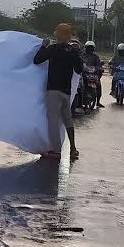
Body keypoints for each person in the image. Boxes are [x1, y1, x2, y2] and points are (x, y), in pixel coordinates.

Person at [34, 23, 84, 160]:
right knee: (68, 120)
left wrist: (43, 46)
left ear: (57, 36)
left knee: (53, 120)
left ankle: (56, 151)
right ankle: (73, 148)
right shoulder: (72, 51)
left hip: (53, 91)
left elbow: (37, 60)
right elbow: (79, 70)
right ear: (68, 37)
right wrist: (77, 54)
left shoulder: (53, 49)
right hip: (66, 92)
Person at [81, 40, 105, 108]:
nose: (89, 49)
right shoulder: (82, 55)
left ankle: (98, 102)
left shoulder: (96, 56)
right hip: (84, 75)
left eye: (91, 48)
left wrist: (100, 68)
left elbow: (99, 64)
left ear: (93, 48)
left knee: (99, 85)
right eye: (88, 47)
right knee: (80, 86)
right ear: (85, 48)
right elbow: (79, 63)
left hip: (93, 75)